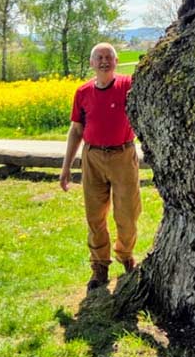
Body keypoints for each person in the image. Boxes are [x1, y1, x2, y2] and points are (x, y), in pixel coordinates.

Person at [60, 42, 142, 290]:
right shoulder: (82, 92)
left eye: (109, 57)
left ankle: (125, 254)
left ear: (116, 62)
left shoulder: (128, 86)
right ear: (91, 63)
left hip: (123, 155)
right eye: (99, 57)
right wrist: (66, 168)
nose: (104, 61)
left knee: (127, 215)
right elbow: (76, 131)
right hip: (93, 157)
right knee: (95, 216)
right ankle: (99, 266)